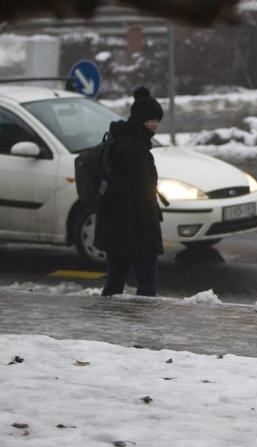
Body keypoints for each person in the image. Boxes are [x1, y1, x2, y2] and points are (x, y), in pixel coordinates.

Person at [95, 87, 164, 297]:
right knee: (147, 282)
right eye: (149, 120)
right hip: (134, 227)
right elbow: (141, 192)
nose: (154, 125)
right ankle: (141, 325)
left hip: (116, 224)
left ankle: (108, 320)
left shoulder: (122, 140)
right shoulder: (133, 149)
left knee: (116, 279)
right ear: (139, 120)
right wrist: (151, 224)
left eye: (156, 120)